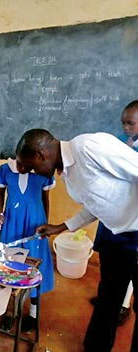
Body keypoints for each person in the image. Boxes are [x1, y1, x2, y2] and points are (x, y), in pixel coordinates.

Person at [15, 128, 138, 352]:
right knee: (108, 299)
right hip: (115, 236)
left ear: (41, 153)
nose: (33, 173)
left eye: (33, 167)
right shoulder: (68, 173)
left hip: (137, 233)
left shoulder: (90, 147)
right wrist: (62, 226)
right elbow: (98, 202)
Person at [0, 158, 55, 332]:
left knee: (33, 266)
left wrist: (46, 223)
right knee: (9, 265)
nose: (20, 167)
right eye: (18, 162)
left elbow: (45, 199)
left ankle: (34, 313)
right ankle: (9, 311)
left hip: (34, 223)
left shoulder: (44, 172)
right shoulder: (5, 169)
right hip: (11, 221)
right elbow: (0, 194)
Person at [91, 100, 138, 326]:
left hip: (131, 225)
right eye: (124, 124)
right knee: (109, 269)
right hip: (110, 217)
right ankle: (108, 299)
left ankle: (123, 305)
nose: (126, 128)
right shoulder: (118, 142)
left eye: (131, 124)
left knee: (127, 269)